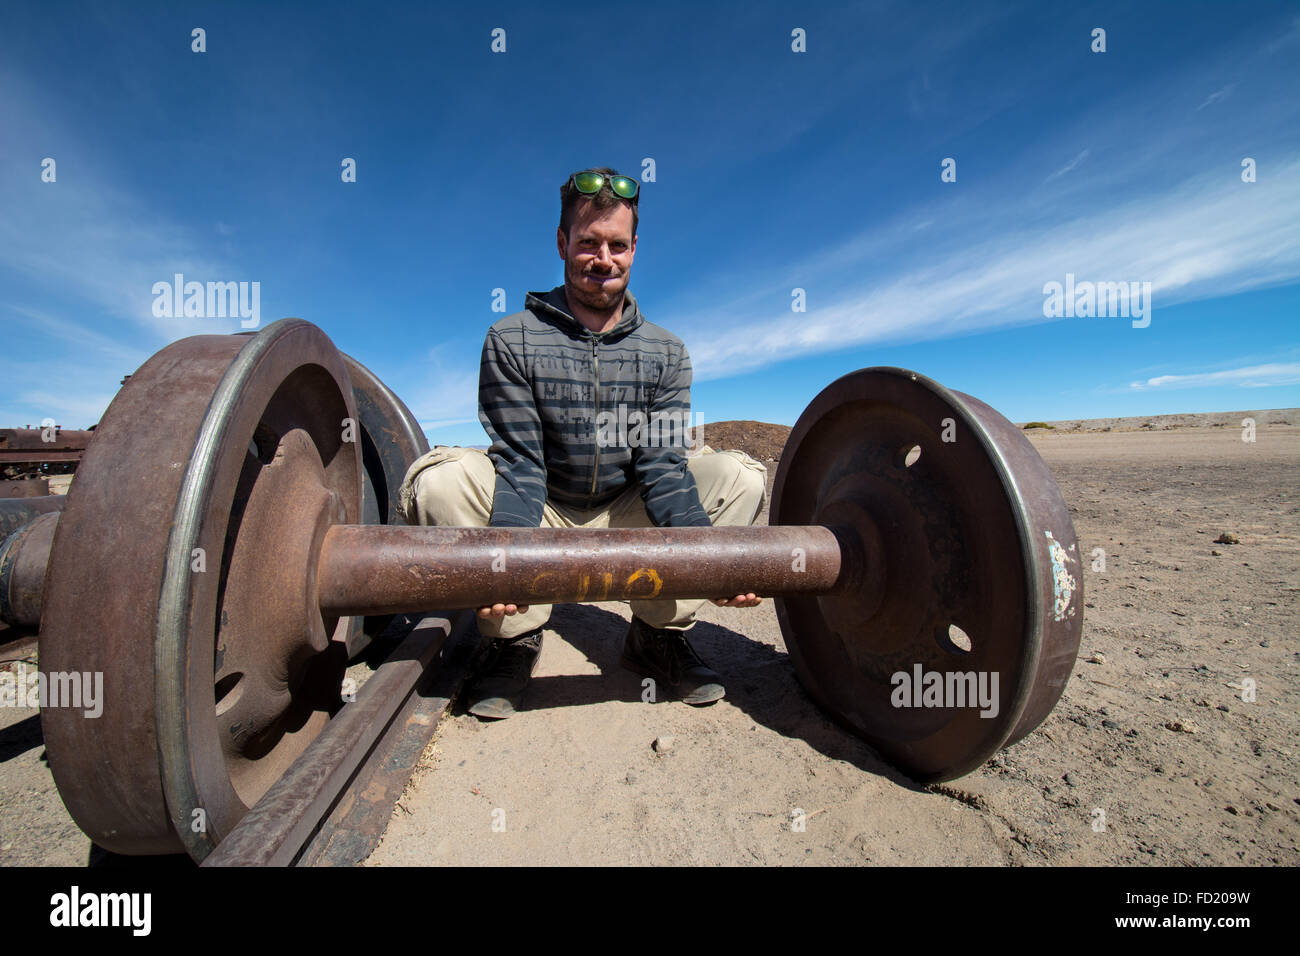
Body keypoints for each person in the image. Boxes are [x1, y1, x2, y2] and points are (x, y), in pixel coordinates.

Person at [398, 167, 768, 719]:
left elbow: (664, 466)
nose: (603, 259)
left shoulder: (667, 352)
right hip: (543, 503)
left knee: (740, 476)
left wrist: (712, 561)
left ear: (635, 249)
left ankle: (656, 635)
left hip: (625, 509)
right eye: (589, 243)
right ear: (562, 242)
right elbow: (520, 461)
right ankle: (512, 637)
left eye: (618, 245)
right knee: (439, 483)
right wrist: (506, 561)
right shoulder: (511, 337)